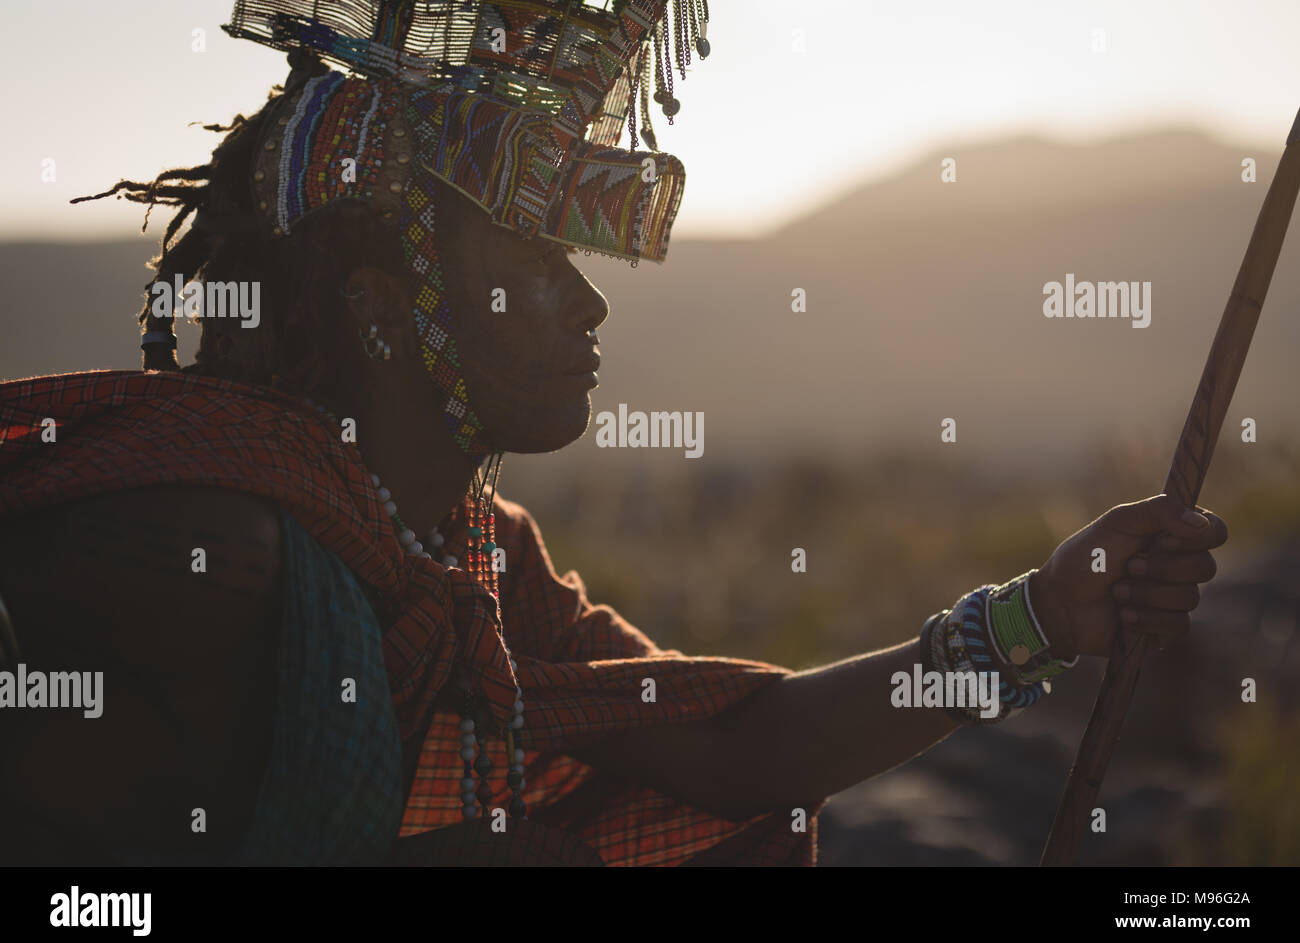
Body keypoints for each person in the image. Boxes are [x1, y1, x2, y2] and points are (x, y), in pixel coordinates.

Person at [0, 0, 1227, 866]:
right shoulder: (201, 553)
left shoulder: (471, 557)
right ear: (384, 313)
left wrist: (1042, 617)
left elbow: (740, 743)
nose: (585, 305)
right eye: (531, 266)